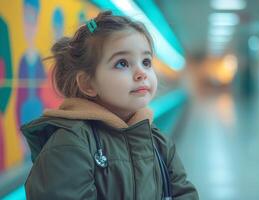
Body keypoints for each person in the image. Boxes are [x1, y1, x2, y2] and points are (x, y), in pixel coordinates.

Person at [21, 10, 199, 200]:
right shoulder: (70, 145)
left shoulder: (158, 142)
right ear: (88, 84)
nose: (142, 73)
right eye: (122, 63)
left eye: (146, 62)